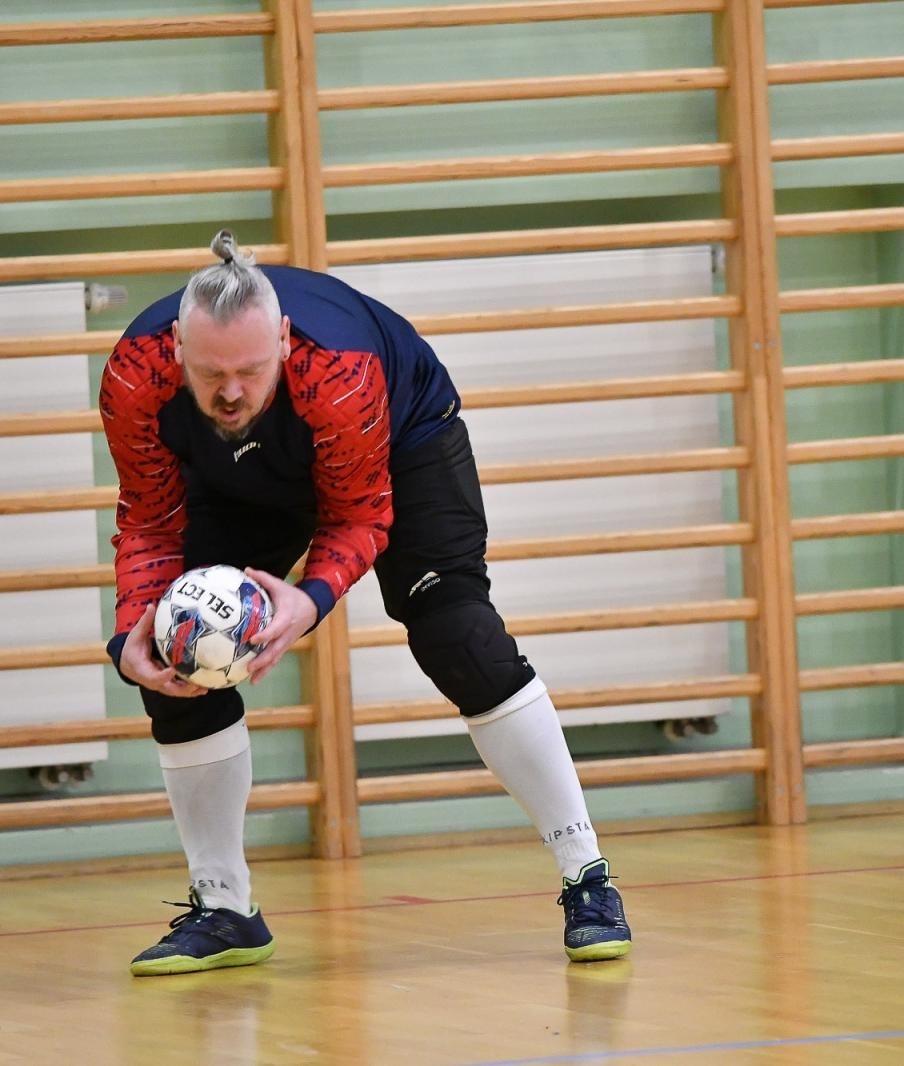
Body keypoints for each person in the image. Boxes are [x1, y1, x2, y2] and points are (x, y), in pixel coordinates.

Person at [100, 230, 632, 975]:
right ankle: (224, 907)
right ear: (176, 350)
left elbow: (360, 517)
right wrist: (132, 628)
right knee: (172, 652)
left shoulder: (337, 370)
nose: (228, 392)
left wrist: (308, 601)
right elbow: (151, 520)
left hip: (400, 437)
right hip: (241, 475)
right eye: (210, 372)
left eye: (250, 371)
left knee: (457, 635)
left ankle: (588, 877)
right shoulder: (134, 375)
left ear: (283, 341)